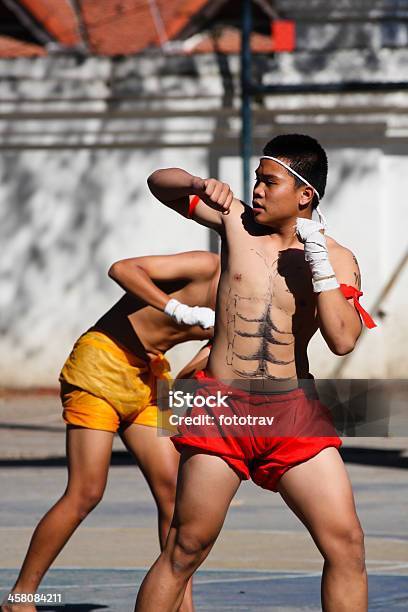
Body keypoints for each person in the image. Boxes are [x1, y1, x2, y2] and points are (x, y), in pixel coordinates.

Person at [135, 134, 376, 612]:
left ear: (305, 194)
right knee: (185, 548)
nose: (258, 191)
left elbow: (343, 340)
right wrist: (199, 184)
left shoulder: (339, 258)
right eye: (256, 181)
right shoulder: (237, 222)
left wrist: (321, 266)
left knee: (346, 546)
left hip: (292, 413)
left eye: (270, 181)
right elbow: (158, 185)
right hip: (220, 407)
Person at [3, 250, 220, 612]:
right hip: (101, 363)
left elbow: (194, 371)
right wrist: (176, 309)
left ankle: (183, 607)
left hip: (149, 376)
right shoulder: (208, 267)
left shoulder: (249, 303)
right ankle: (21, 597)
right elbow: (121, 269)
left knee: (175, 494)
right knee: (86, 492)